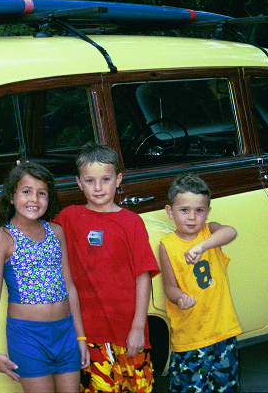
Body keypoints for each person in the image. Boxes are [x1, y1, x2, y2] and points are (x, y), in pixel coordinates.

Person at [54, 142, 159, 393]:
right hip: (90, 335)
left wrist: (137, 328)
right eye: (90, 180)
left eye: (106, 179)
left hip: (129, 332)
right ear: (78, 182)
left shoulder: (132, 222)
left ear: (118, 179)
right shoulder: (69, 217)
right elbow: (39, 235)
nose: (98, 187)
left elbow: (143, 277)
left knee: (139, 388)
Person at [0, 161, 89, 393]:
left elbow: (69, 286)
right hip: (28, 337)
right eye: (26, 191)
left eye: (42, 193)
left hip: (66, 333)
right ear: (12, 197)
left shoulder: (56, 231)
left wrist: (80, 338)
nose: (34, 199)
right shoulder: (1, 239)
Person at [158, 174, 242, 393]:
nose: (192, 217)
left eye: (199, 210)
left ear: (207, 212)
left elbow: (230, 232)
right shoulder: (167, 245)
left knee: (225, 388)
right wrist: (180, 298)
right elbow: (169, 286)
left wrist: (202, 246)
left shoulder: (210, 232)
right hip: (189, 339)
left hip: (223, 334)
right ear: (170, 212)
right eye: (184, 210)